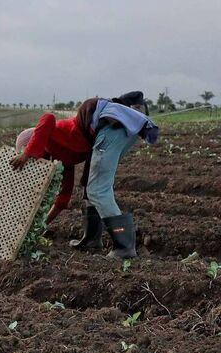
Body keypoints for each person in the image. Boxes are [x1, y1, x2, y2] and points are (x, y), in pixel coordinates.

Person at [12, 92, 156, 258]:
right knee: (90, 191)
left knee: (97, 190)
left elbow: (47, 118)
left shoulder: (53, 132)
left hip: (111, 128)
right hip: (116, 131)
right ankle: (91, 241)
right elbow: (63, 199)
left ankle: (124, 248)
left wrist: (26, 154)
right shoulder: (60, 157)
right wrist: (39, 227)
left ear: (36, 140)